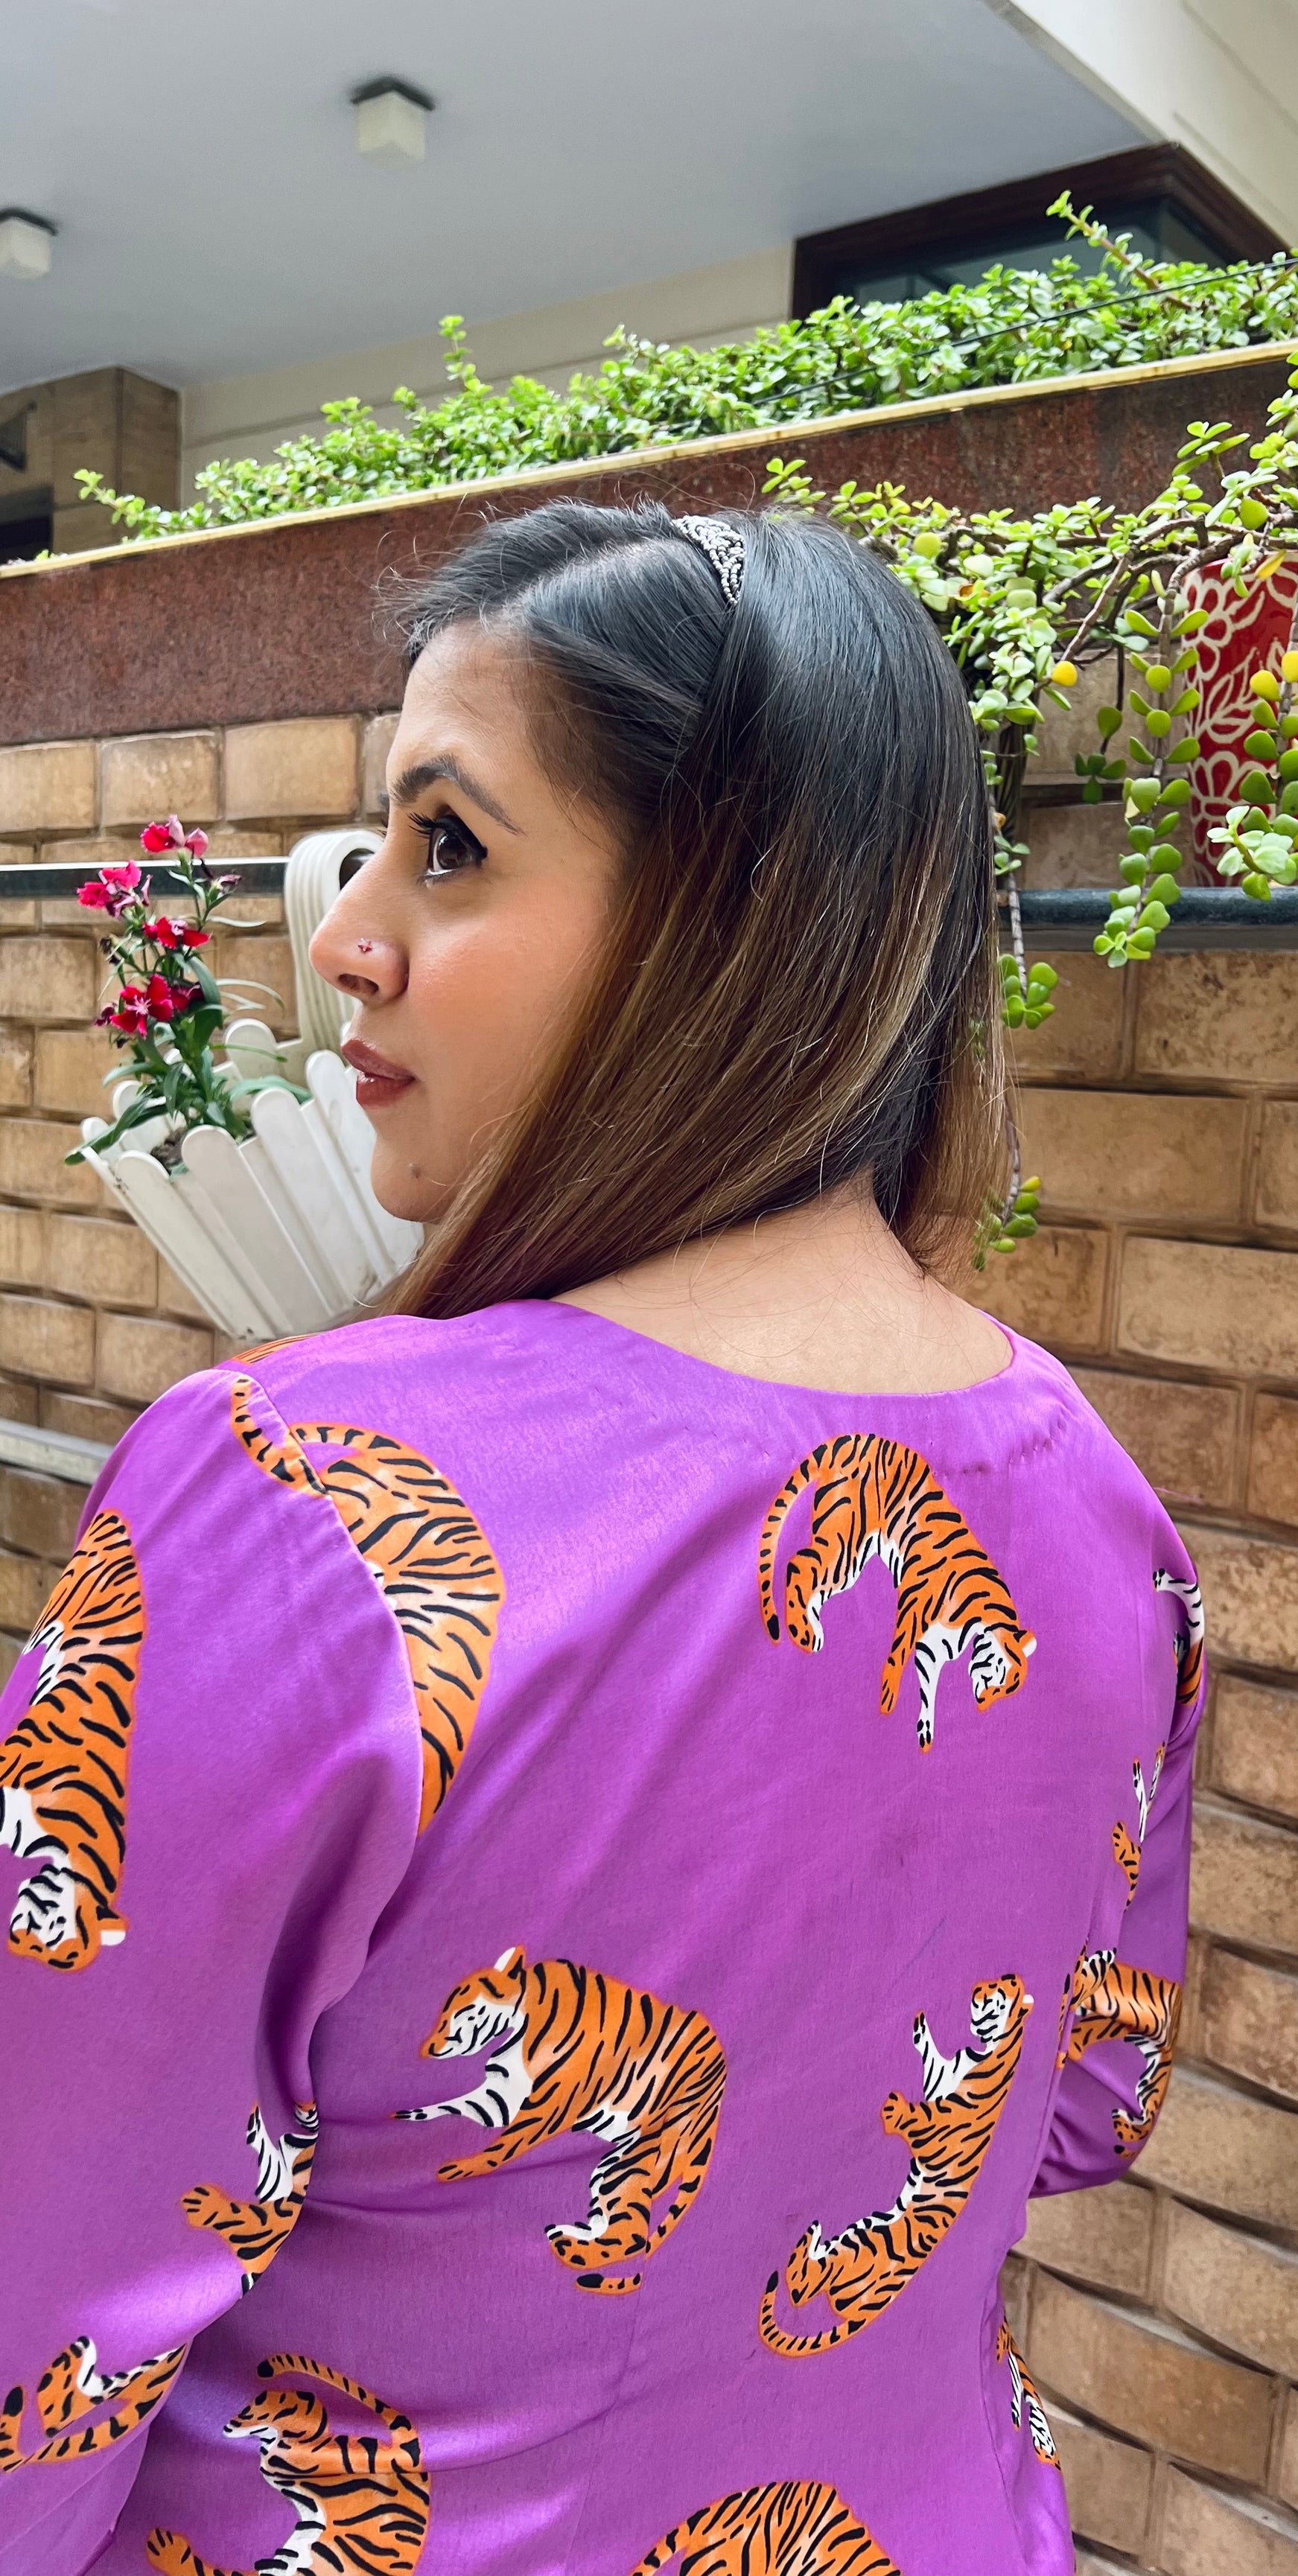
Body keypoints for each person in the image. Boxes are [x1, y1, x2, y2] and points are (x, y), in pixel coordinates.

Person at [0, 500, 1202, 2576]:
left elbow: (34, 2318)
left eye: (449, 843)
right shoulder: (1105, 1515)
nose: (349, 936)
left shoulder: (299, 1503)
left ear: (722, 917)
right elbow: (1084, 2104)